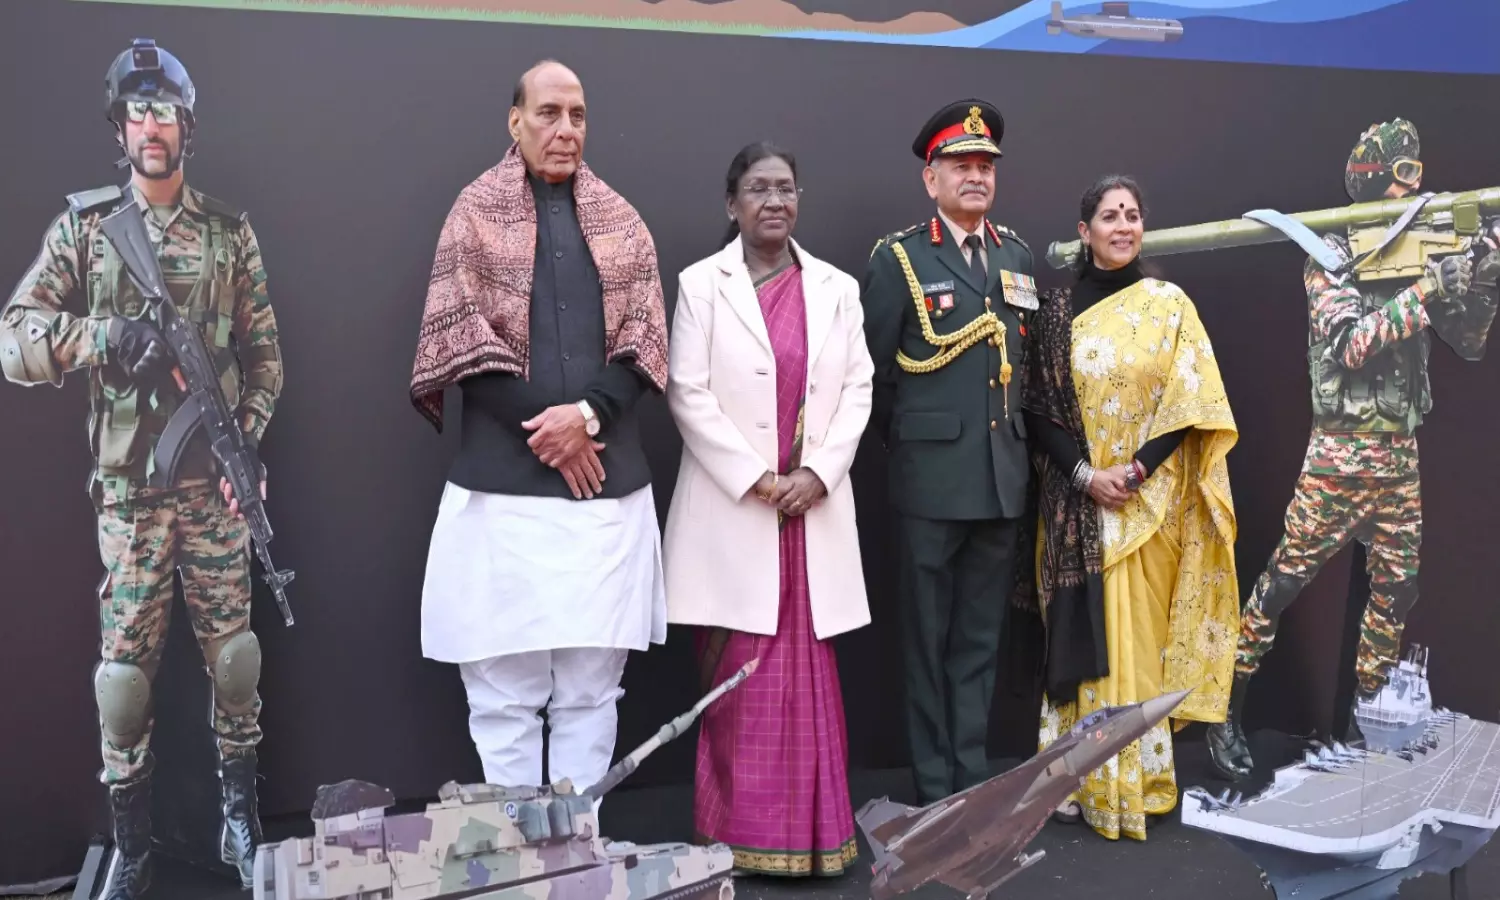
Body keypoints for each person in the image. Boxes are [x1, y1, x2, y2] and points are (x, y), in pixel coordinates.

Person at [0, 39, 283, 898]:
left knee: (236, 664)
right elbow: (13, 339)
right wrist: (101, 337)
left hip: (212, 494)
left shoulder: (228, 234)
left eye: (164, 111)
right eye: (137, 111)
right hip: (129, 499)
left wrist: (246, 443)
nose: (150, 126)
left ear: (186, 126)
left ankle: (240, 820)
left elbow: (267, 360)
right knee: (123, 684)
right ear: (119, 127)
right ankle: (131, 844)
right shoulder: (88, 231)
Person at [409, 60, 671, 801]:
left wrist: (585, 418)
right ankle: (517, 848)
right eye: (549, 113)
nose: (565, 129)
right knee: (504, 698)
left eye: (577, 115)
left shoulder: (621, 220)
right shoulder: (474, 213)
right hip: (502, 500)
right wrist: (549, 429)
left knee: (591, 692)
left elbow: (647, 343)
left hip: (604, 499)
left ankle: (577, 846)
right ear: (515, 121)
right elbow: (460, 342)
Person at [1207, 119, 1499, 780]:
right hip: (1339, 460)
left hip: (1400, 458)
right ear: (1371, 180)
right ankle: (1226, 708)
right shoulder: (1331, 255)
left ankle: (1364, 722)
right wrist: (1429, 289)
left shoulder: (1423, 252)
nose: (1411, 189)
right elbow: (1349, 345)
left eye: (1415, 175)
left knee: (1398, 590)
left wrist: (1483, 276)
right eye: (1400, 176)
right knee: (1283, 583)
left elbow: (1470, 342)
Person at [662, 141, 874, 877]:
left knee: (805, 681)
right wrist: (758, 479)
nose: (775, 200)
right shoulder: (700, 285)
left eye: (786, 187)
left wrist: (816, 473)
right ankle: (737, 838)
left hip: (810, 516)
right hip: (737, 514)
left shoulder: (836, 289)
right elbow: (686, 393)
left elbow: (858, 390)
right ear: (733, 203)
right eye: (758, 188)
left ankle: (815, 840)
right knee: (742, 684)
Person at [1020, 174, 1239, 842]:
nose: (1123, 226)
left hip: (1148, 504)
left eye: (1133, 215)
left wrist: (1136, 470)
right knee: (1083, 638)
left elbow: (1192, 401)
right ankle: (1071, 781)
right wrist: (1088, 476)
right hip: (1077, 504)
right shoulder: (1055, 312)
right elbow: (1038, 408)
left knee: (1136, 646)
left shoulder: (1170, 305)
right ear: (1084, 232)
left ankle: (1132, 783)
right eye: (1110, 216)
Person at [861, 99, 1037, 805]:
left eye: (985, 165)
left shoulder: (1016, 254)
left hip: (1000, 483)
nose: (976, 176)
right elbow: (873, 379)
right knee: (927, 647)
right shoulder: (900, 259)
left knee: (979, 644)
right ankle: (935, 792)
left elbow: (1022, 370)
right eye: (960, 165)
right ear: (930, 178)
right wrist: (915, 447)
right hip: (930, 485)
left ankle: (972, 782)